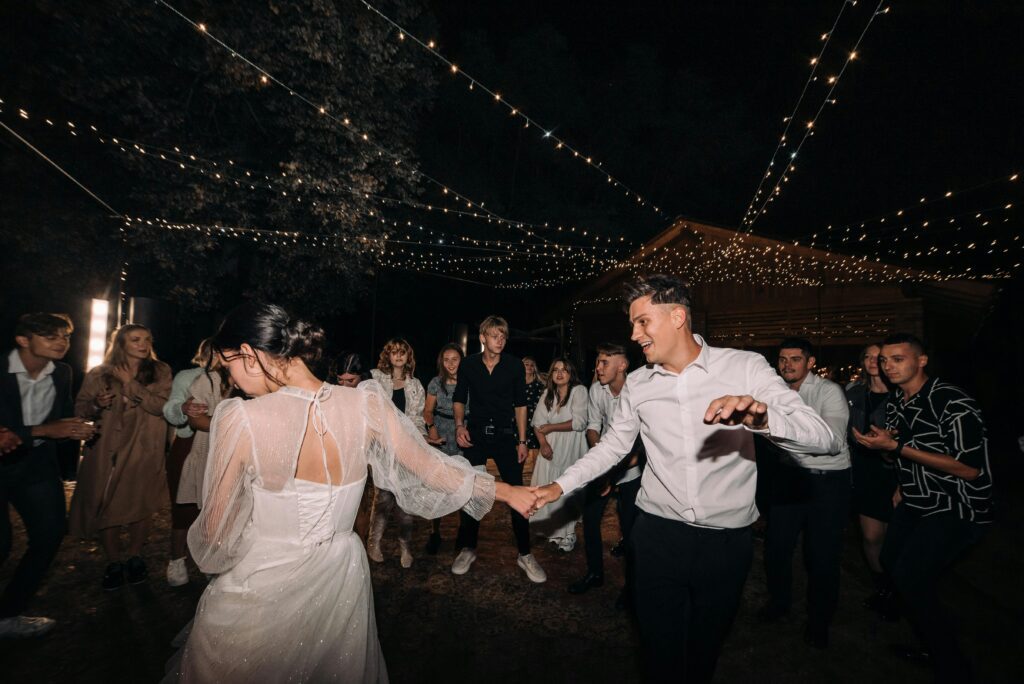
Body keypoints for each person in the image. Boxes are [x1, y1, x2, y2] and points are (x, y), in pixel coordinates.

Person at [164, 302, 536, 682]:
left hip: (262, 584)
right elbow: (429, 467)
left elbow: (213, 539)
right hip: (340, 576)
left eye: (229, 366)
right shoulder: (365, 404)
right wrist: (507, 491)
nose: (233, 380)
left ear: (248, 354)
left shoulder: (240, 419)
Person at [531, 274, 833, 683]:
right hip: (657, 536)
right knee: (658, 650)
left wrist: (764, 417)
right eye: (633, 325)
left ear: (677, 317)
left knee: (705, 648)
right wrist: (559, 485)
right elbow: (612, 448)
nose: (634, 335)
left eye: (642, 322)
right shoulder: (638, 385)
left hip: (726, 541)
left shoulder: (744, 367)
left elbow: (824, 439)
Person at [853, 333, 993, 683]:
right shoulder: (901, 401)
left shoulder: (952, 402)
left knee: (912, 578)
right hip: (916, 500)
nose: (888, 366)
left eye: (898, 359)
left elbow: (969, 468)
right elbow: (908, 449)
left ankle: (952, 665)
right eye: (884, 360)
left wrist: (896, 448)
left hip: (956, 506)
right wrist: (891, 461)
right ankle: (932, 634)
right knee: (892, 563)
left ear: (922, 360)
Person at [0, 313, 96, 639]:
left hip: (37, 466)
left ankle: (8, 614)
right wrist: (43, 429)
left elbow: (62, 414)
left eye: (66, 337)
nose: (62, 343)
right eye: (51, 336)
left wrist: (75, 425)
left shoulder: (62, 372)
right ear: (23, 340)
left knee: (50, 535)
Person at [759, 338, 852, 649]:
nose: (787, 365)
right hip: (789, 478)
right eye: (783, 359)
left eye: (795, 359)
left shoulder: (828, 391)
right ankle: (779, 603)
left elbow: (834, 441)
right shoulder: (776, 394)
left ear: (810, 363)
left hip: (828, 481)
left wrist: (778, 433)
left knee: (821, 555)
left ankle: (819, 622)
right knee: (776, 548)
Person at [70, 324, 172, 590]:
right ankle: (113, 561)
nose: (143, 344)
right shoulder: (99, 373)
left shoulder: (160, 371)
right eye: (135, 339)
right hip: (108, 450)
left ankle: (135, 556)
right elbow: (80, 409)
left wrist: (130, 384)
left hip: (143, 450)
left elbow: (162, 408)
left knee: (141, 503)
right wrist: (96, 405)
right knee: (107, 504)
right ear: (120, 344)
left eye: (147, 339)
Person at [452, 316, 546, 583]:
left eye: (504, 336)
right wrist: (460, 426)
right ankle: (468, 548)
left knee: (517, 491)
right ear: (483, 337)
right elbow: (460, 398)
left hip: (506, 436)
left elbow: (520, 405)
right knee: (472, 492)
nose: (500, 341)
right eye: (495, 336)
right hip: (476, 436)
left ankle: (525, 554)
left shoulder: (515, 365)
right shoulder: (469, 364)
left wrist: (522, 440)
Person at [568, 343, 644, 609]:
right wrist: (601, 454)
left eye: (604, 363)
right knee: (590, 520)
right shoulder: (596, 390)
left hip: (633, 469)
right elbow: (592, 426)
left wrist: (615, 470)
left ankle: (633, 587)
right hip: (605, 467)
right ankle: (595, 573)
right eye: (598, 362)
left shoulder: (640, 390)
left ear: (622, 366)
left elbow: (643, 443)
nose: (597, 368)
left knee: (632, 529)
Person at [845, 343, 898, 619]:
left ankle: (898, 587)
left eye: (878, 357)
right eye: (866, 356)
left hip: (896, 471)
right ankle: (884, 585)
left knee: (896, 536)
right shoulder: (853, 392)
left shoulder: (902, 395)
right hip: (863, 469)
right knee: (870, 535)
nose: (872, 361)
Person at [171, 351, 231, 586]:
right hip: (200, 449)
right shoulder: (202, 379)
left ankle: (211, 562)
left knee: (221, 513)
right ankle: (177, 559)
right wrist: (235, 427)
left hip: (234, 455)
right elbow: (192, 417)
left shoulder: (254, 381)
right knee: (187, 510)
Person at [366, 338, 425, 569]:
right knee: (382, 498)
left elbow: (417, 418)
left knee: (405, 500)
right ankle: (374, 542)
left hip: (406, 449)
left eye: (402, 352)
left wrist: (419, 441)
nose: (398, 356)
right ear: (388, 356)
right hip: (382, 448)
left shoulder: (415, 385)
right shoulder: (375, 379)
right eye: (394, 352)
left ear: (408, 356)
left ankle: (405, 546)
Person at [162, 339, 211, 587]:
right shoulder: (187, 376)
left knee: (212, 509)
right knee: (184, 508)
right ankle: (176, 560)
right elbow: (170, 408)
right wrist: (183, 407)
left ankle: (205, 560)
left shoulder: (238, 380)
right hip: (188, 445)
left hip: (218, 448)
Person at [529, 357, 588, 552]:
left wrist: (551, 427)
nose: (560, 373)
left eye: (564, 370)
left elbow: (579, 422)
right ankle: (554, 532)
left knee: (567, 489)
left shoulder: (579, 391)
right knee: (548, 487)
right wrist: (544, 443)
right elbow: (537, 423)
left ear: (571, 374)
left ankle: (568, 534)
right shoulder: (548, 394)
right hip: (550, 448)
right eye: (555, 370)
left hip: (571, 446)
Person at [423, 343, 464, 554]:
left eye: (454, 359)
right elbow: (428, 411)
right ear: (441, 362)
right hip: (439, 436)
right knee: (436, 488)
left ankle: (462, 534)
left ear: (461, 360)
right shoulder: (435, 383)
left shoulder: (469, 382)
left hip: (461, 437)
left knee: (461, 488)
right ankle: (434, 533)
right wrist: (431, 430)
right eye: (446, 359)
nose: (450, 364)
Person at [522, 356, 545, 457]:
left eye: (532, 365)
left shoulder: (540, 386)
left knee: (535, 455)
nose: (529, 367)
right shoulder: (516, 384)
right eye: (526, 364)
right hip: (518, 422)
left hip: (535, 422)